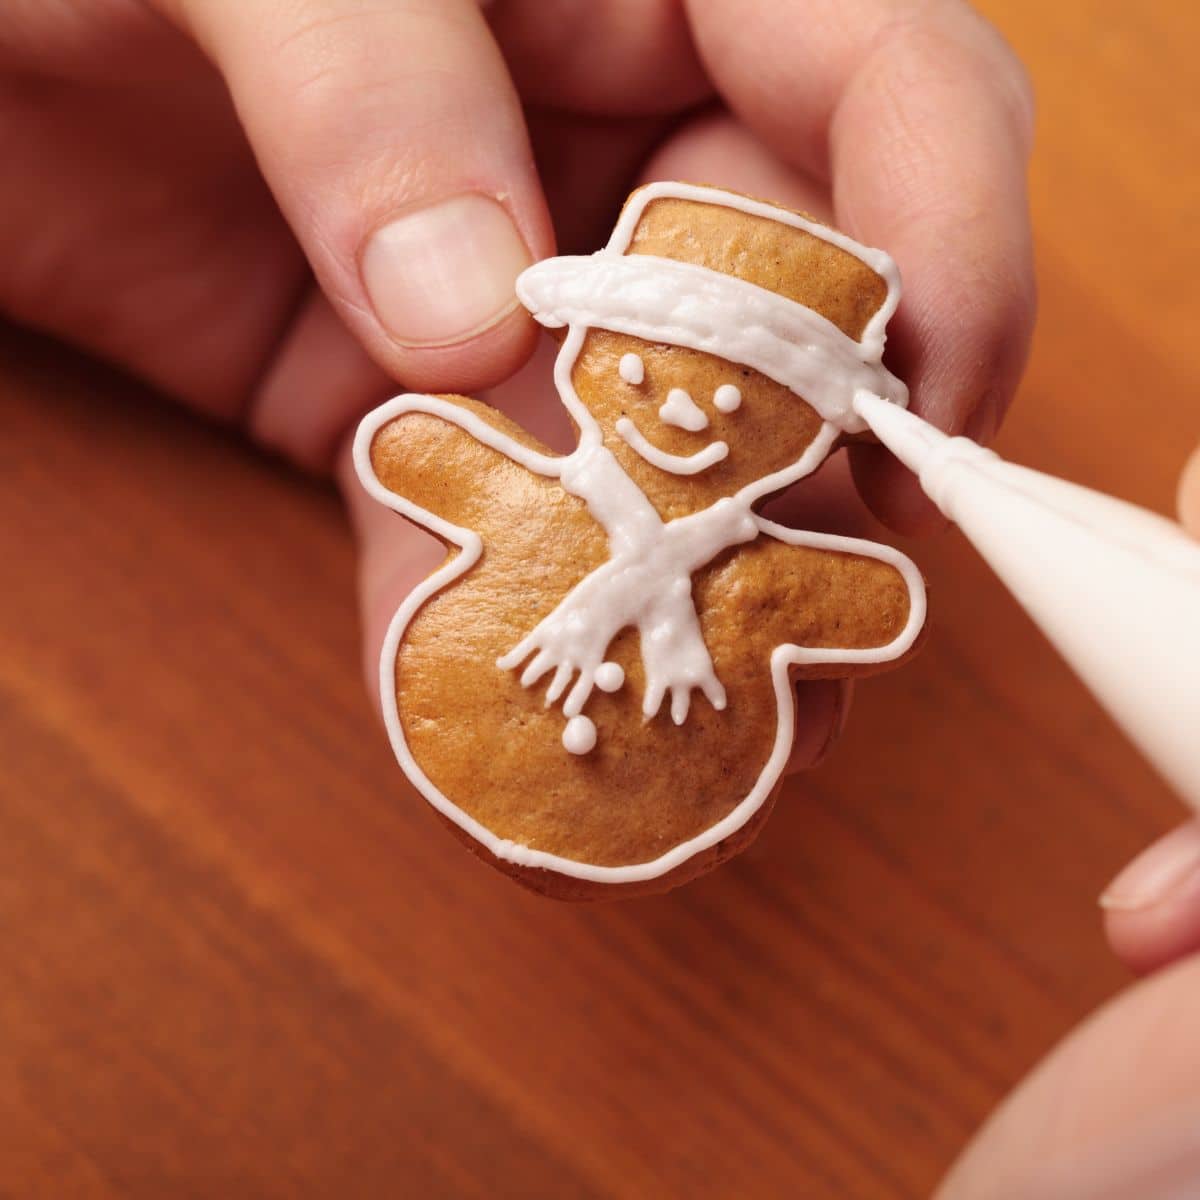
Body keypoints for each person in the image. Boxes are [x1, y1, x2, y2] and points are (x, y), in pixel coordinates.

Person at [2, 1, 1195, 1193]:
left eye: (742, 410)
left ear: (800, 436)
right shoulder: (559, 490)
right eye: (646, 375)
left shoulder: (752, 566)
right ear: (581, 359)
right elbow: (427, 455)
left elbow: (869, 607)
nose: (683, 414)